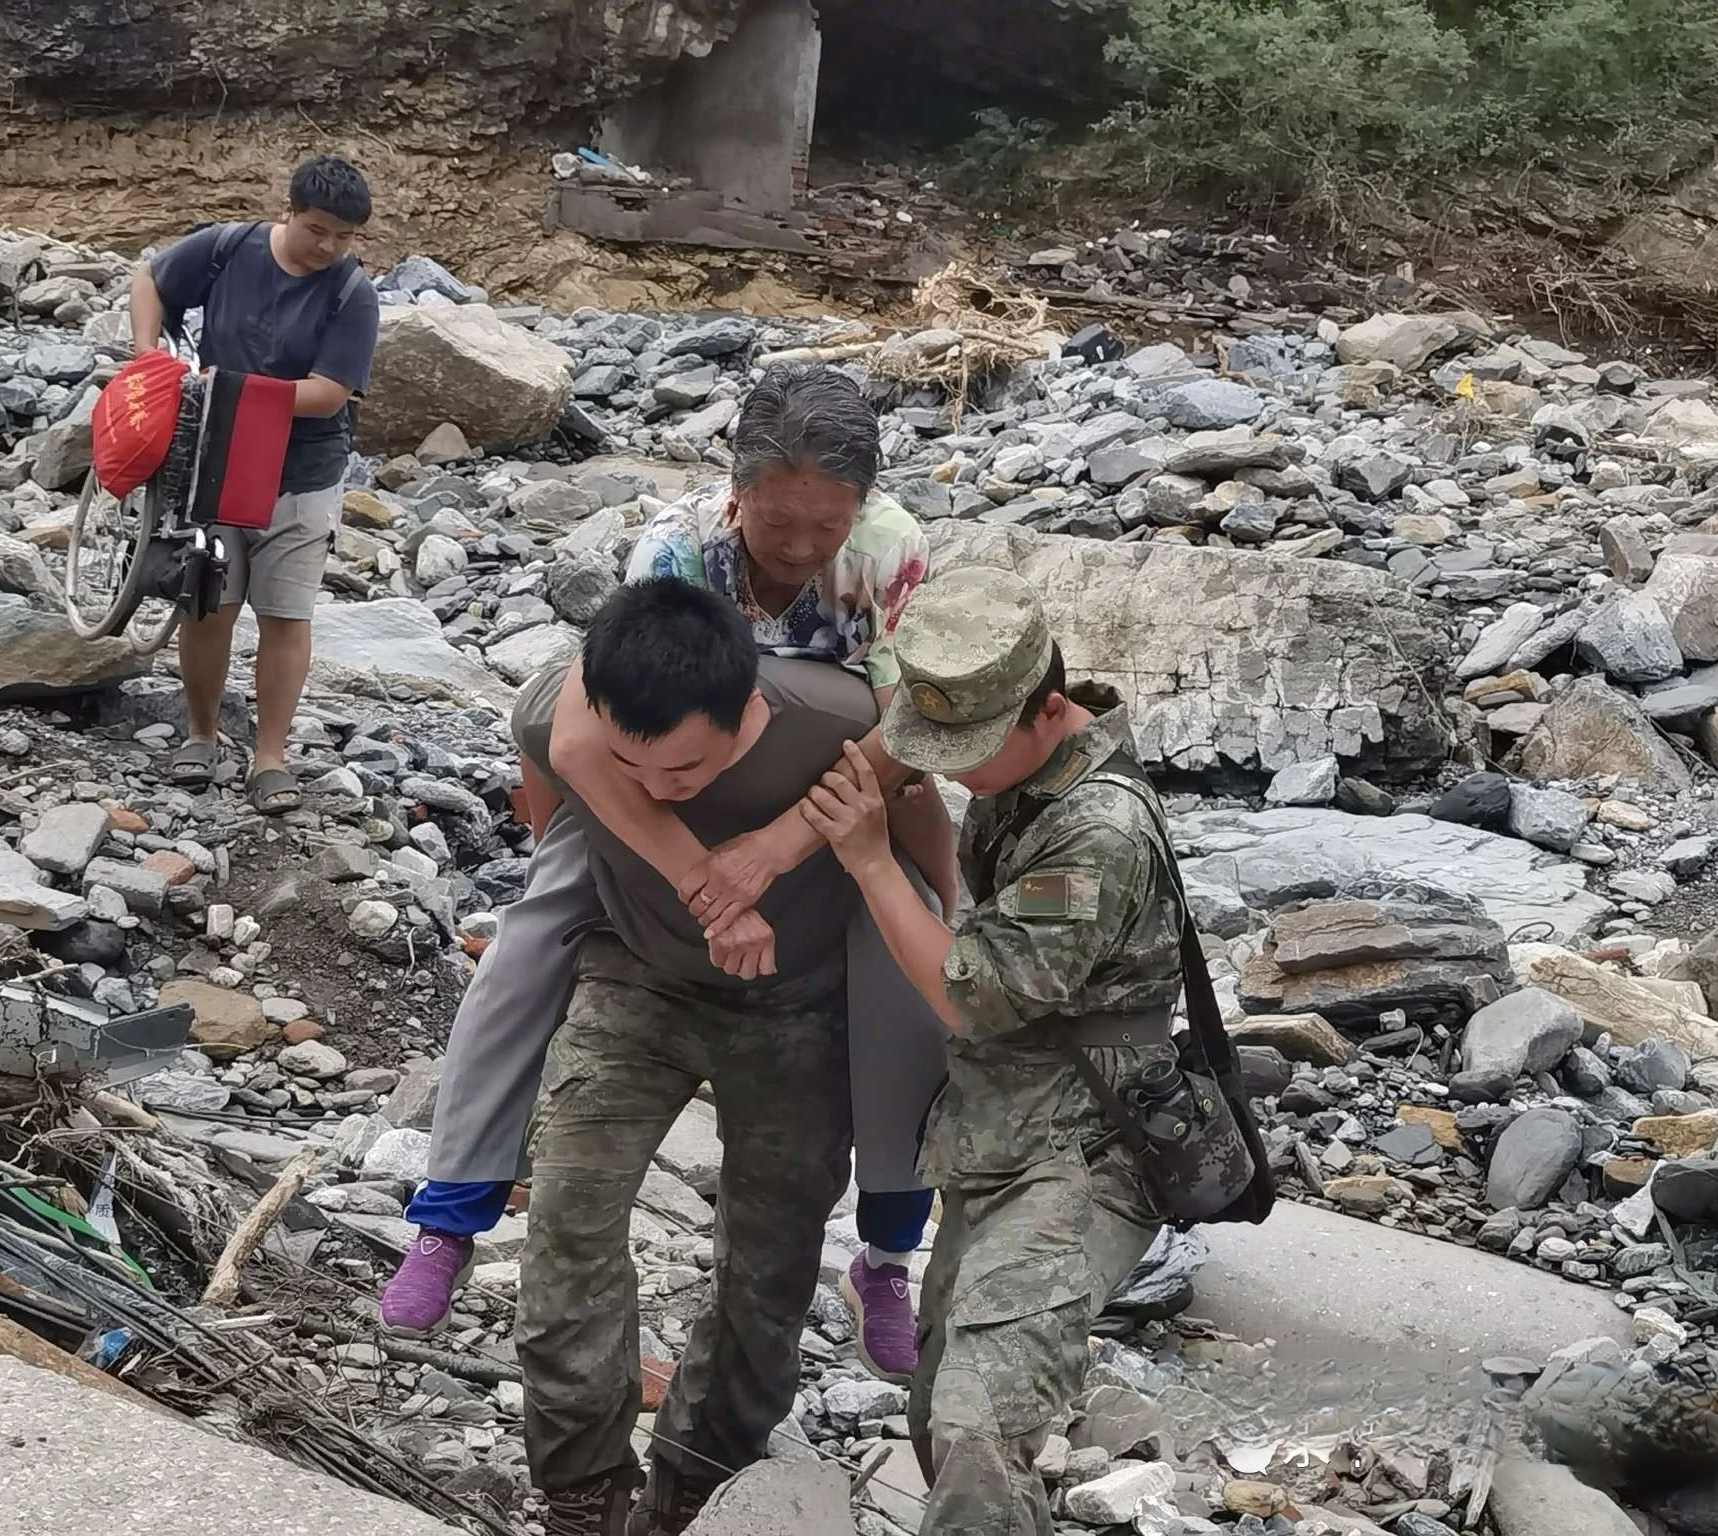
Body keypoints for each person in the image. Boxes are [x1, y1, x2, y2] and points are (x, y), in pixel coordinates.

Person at [383, 366, 952, 1383]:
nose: (798, 548)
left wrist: (773, 850)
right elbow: (579, 733)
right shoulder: (676, 551)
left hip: (826, 783)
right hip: (659, 776)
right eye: (776, 521)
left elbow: (906, 733)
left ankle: (887, 1253)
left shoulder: (887, 554)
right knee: (536, 925)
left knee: (906, 972)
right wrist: (699, 880)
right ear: (737, 492)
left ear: (860, 507)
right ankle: (451, 1210)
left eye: (824, 526)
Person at [799, 565, 1188, 1536]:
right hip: (1001, 1131)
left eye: (968, 753)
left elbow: (971, 995)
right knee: (940, 1405)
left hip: (1085, 1151)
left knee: (978, 1424)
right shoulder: (1031, 753)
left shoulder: (1098, 831)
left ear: (1046, 708)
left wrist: (868, 860)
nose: (953, 773)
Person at [505, 577, 887, 1534]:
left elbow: (922, 754)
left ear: (746, 706)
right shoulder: (560, 712)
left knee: (772, 1260)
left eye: (683, 770)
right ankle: (583, 1488)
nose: (653, 790)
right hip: (634, 979)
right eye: (628, 765)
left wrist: (786, 848)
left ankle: (696, 1482)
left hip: (798, 1003)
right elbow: (554, 801)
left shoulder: (830, 716)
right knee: (568, 1219)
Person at [126, 154, 380, 817]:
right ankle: (201, 733)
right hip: (217, 459)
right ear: (288, 211)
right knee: (208, 605)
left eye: (343, 237)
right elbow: (149, 279)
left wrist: (231, 389)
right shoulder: (227, 249)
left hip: (303, 474)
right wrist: (149, 355)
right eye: (317, 229)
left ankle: (270, 757)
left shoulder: (352, 293)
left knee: (286, 615)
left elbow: (328, 394)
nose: (328, 247)